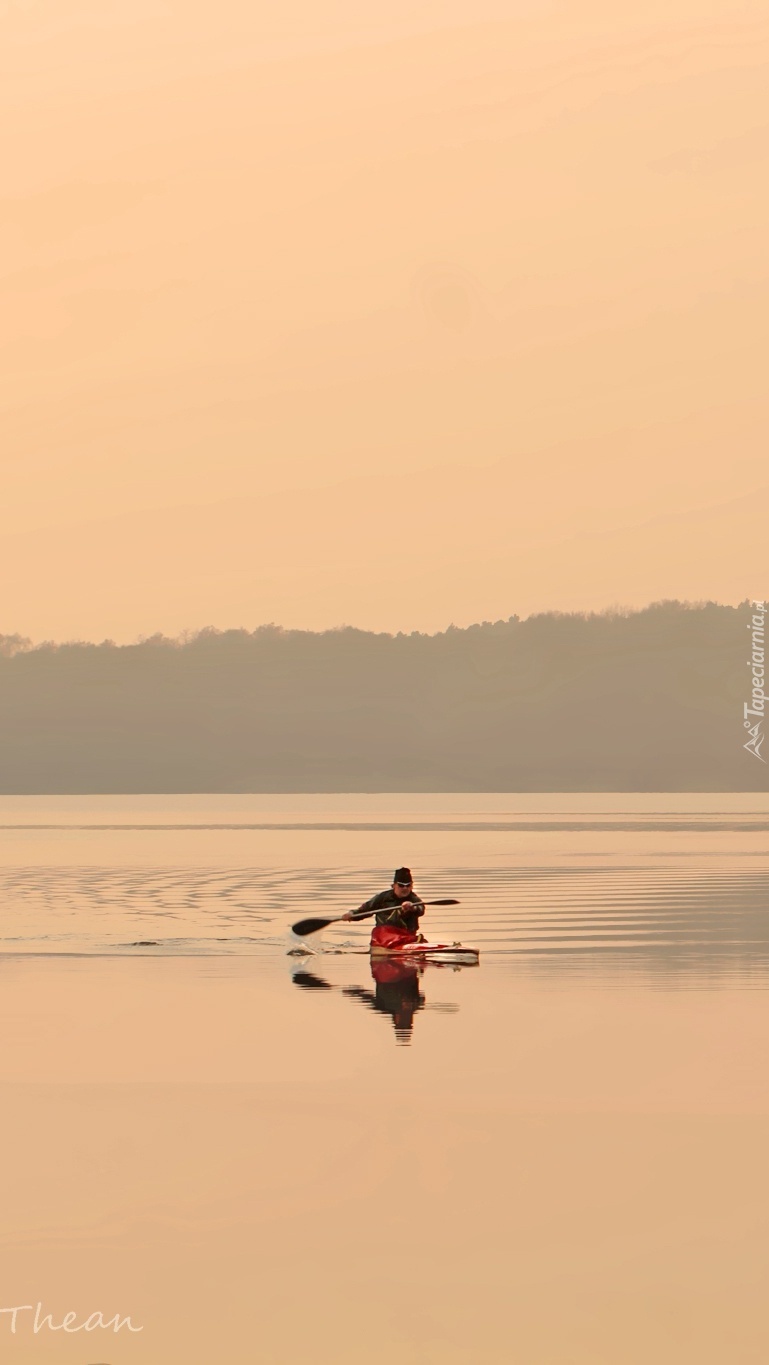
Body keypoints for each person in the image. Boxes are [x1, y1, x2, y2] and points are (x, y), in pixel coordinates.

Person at [342, 867, 425, 951]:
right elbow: (364, 911)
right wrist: (351, 915)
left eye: (408, 885)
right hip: (383, 937)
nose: (405, 888)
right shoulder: (382, 898)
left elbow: (421, 909)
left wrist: (412, 908)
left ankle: (408, 943)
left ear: (412, 886)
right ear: (393, 886)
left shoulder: (414, 900)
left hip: (406, 936)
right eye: (401, 885)